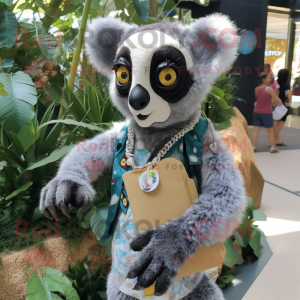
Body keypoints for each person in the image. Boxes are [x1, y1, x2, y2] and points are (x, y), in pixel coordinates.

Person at [252, 72, 283, 153]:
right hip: (266, 112)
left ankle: (253, 146)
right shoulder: (269, 89)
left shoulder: (256, 89)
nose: (270, 79)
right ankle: (273, 147)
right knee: (270, 131)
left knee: (255, 130)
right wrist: (280, 102)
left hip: (256, 112)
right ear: (263, 79)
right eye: (268, 78)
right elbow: (276, 100)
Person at [273, 69, 292, 146]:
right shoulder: (286, 84)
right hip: (284, 105)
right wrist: (290, 102)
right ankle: (276, 140)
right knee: (281, 122)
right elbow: (288, 94)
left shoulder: (275, 82)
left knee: (275, 122)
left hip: (276, 104)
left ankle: (274, 140)